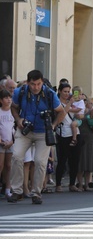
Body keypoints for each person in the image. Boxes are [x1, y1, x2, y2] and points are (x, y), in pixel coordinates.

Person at [8, 69, 65, 205]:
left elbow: (61, 112)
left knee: (40, 161)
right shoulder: (20, 92)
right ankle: (17, 191)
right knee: (16, 156)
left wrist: (53, 125)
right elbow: (13, 107)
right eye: (33, 84)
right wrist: (18, 120)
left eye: (39, 84)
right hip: (25, 130)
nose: (36, 87)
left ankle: (36, 193)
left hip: (43, 132)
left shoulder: (49, 94)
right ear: (28, 83)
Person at [54, 82, 83, 192]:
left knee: (75, 160)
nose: (67, 94)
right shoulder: (56, 103)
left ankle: (72, 183)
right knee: (62, 159)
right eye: (64, 91)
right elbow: (61, 116)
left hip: (75, 132)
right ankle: (58, 184)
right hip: (63, 133)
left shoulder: (73, 102)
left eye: (68, 91)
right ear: (60, 92)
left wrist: (79, 112)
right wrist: (69, 104)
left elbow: (79, 114)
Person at [0, 88, 14, 197]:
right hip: (1, 142)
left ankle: (8, 188)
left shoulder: (13, 112)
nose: (9, 100)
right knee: (1, 164)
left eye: (10, 97)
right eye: (6, 98)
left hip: (11, 141)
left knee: (9, 165)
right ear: (1, 100)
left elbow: (15, 127)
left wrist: (12, 141)